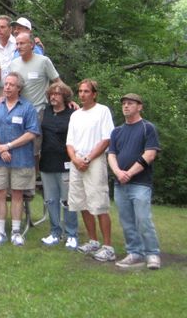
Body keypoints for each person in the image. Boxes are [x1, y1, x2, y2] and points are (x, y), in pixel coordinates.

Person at [0, 72, 40, 246]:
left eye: (11, 84)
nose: (7, 87)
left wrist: (8, 146)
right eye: (6, 84)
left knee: (17, 194)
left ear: (19, 88)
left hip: (21, 160)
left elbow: (32, 133)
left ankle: (16, 231)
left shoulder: (28, 108)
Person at [108, 93, 162, 270]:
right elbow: (111, 155)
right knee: (127, 221)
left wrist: (129, 173)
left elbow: (150, 154)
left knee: (143, 219)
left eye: (130, 103)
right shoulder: (117, 131)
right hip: (120, 184)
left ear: (139, 107)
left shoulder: (147, 128)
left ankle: (152, 253)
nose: (126, 106)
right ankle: (134, 253)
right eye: (124, 103)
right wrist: (118, 173)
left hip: (140, 183)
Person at [66, 79, 115, 262]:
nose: (82, 94)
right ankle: (93, 241)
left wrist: (88, 158)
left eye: (86, 91)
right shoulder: (75, 115)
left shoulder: (102, 111)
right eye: (80, 91)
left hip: (94, 161)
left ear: (94, 94)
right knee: (82, 203)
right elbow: (70, 142)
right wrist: (75, 159)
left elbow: (106, 139)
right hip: (77, 161)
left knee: (99, 203)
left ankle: (108, 247)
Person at [39, 82, 78, 249]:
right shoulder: (45, 111)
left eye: (57, 94)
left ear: (65, 96)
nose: (53, 97)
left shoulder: (73, 113)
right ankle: (55, 232)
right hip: (47, 162)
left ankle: (71, 234)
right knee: (51, 200)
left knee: (67, 200)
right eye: (51, 94)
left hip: (66, 162)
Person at [9, 33, 61, 113]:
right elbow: (9, 86)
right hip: (18, 111)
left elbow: (58, 82)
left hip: (38, 110)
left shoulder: (43, 61)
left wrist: (68, 100)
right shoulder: (13, 64)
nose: (19, 47)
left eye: (22, 43)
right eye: (17, 44)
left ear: (32, 45)